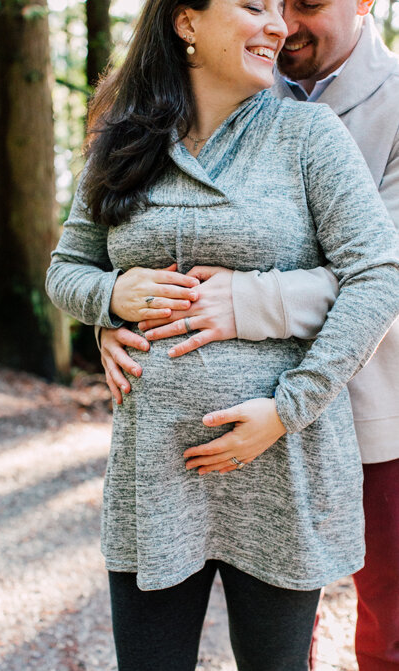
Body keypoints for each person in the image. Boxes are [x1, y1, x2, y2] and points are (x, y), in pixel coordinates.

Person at [44, 0, 399, 666]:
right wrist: (108, 300)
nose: (278, 24)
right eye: (256, 6)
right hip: (155, 471)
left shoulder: (308, 135)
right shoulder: (121, 140)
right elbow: (67, 268)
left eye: (282, 10)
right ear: (187, 22)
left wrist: (288, 407)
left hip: (279, 469)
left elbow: (378, 275)